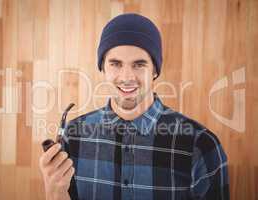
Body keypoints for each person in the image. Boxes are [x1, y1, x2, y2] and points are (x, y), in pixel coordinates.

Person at [39, 13, 230, 200]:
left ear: (155, 70)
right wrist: (54, 193)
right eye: (115, 64)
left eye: (139, 64)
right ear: (103, 68)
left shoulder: (202, 145)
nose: (127, 77)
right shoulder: (73, 136)